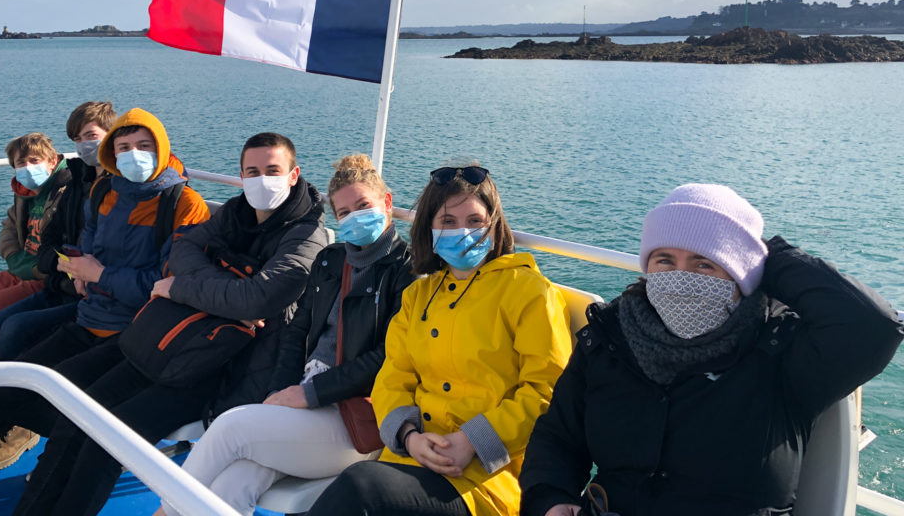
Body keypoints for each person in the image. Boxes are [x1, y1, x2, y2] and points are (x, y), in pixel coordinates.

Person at [519, 183, 904, 516]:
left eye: (704, 264)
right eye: (664, 260)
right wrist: (550, 499)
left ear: (740, 273)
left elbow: (873, 326)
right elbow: (558, 436)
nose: (680, 278)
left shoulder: (782, 351)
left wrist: (768, 255)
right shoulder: (609, 338)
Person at [10, 132, 329, 516]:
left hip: (225, 365)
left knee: (111, 438)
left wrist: (180, 288)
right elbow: (183, 250)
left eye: (273, 170)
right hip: (167, 335)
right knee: (76, 414)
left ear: (293, 175)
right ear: (241, 176)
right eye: (253, 171)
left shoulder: (308, 236)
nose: (262, 180)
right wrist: (221, 290)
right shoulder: (235, 212)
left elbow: (262, 298)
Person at [153, 153, 415, 516]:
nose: (355, 218)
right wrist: (280, 391)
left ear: (386, 203)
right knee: (233, 485)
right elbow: (297, 334)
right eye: (344, 213)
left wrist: (308, 394)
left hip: (354, 419)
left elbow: (387, 357)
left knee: (232, 428)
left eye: (363, 206)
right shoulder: (330, 261)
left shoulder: (408, 273)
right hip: (303, 407)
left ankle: (164, 512)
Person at [308, 164, 573, 516]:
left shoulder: (530, 293)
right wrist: (408, 436)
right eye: (447, 222)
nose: (462, 231)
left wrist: (473, 442)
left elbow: (547, 391)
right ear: (429, 228)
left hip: (484, 477)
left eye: (475, 221)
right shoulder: (419, 296)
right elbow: (393, 376)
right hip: (411, 459)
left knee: (361, 488)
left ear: (494, 224)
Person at [0, 108, 209, 474]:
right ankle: (93, 445)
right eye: (125, 146)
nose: (133, 154)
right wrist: (79, 268)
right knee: (2, 391)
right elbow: (84, 243)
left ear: (162, 148)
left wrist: (98, 274)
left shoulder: (184, 205)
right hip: (89, 314)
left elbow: (169, 286)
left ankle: (89, 449)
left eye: (144, 145)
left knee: (53, 385)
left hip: (135, 329)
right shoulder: (102, 191)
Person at [0, 101, 117, 362]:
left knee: (6, 325)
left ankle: (2, 389)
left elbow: (92, 245)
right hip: (51, 276)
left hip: (69, 284)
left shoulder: (79, 187)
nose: (84, 144)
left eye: (91, 136)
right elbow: (44, 236)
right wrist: (20, 261)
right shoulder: (75, 186)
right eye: (78, 139)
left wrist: (48, 268)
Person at [0, 133, 71, 313]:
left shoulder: (65, 192)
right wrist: (13, 257)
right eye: (21, 163)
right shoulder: (24, 194)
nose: (28, 167)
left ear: (52, 162)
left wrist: (37, 269)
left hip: (45, 277)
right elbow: (9, 227)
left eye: (35, 160)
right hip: (20, 270)